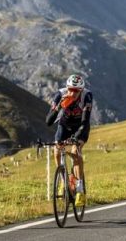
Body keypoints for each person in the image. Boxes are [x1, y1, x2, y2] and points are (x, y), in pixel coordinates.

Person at [45, 74, 93, 208]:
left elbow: (85, 121)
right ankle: (63, 181)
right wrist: (59, 106)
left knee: (75, 151)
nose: (73, 93)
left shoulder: (87, 96)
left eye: (76, 91)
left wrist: (76, 138)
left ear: (81, 91)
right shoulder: (60, 94)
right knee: (56, 150)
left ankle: (80, 189)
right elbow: (48, 121)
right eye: (70, 89)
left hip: (80, 126)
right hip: (64, 125)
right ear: (67, 88)